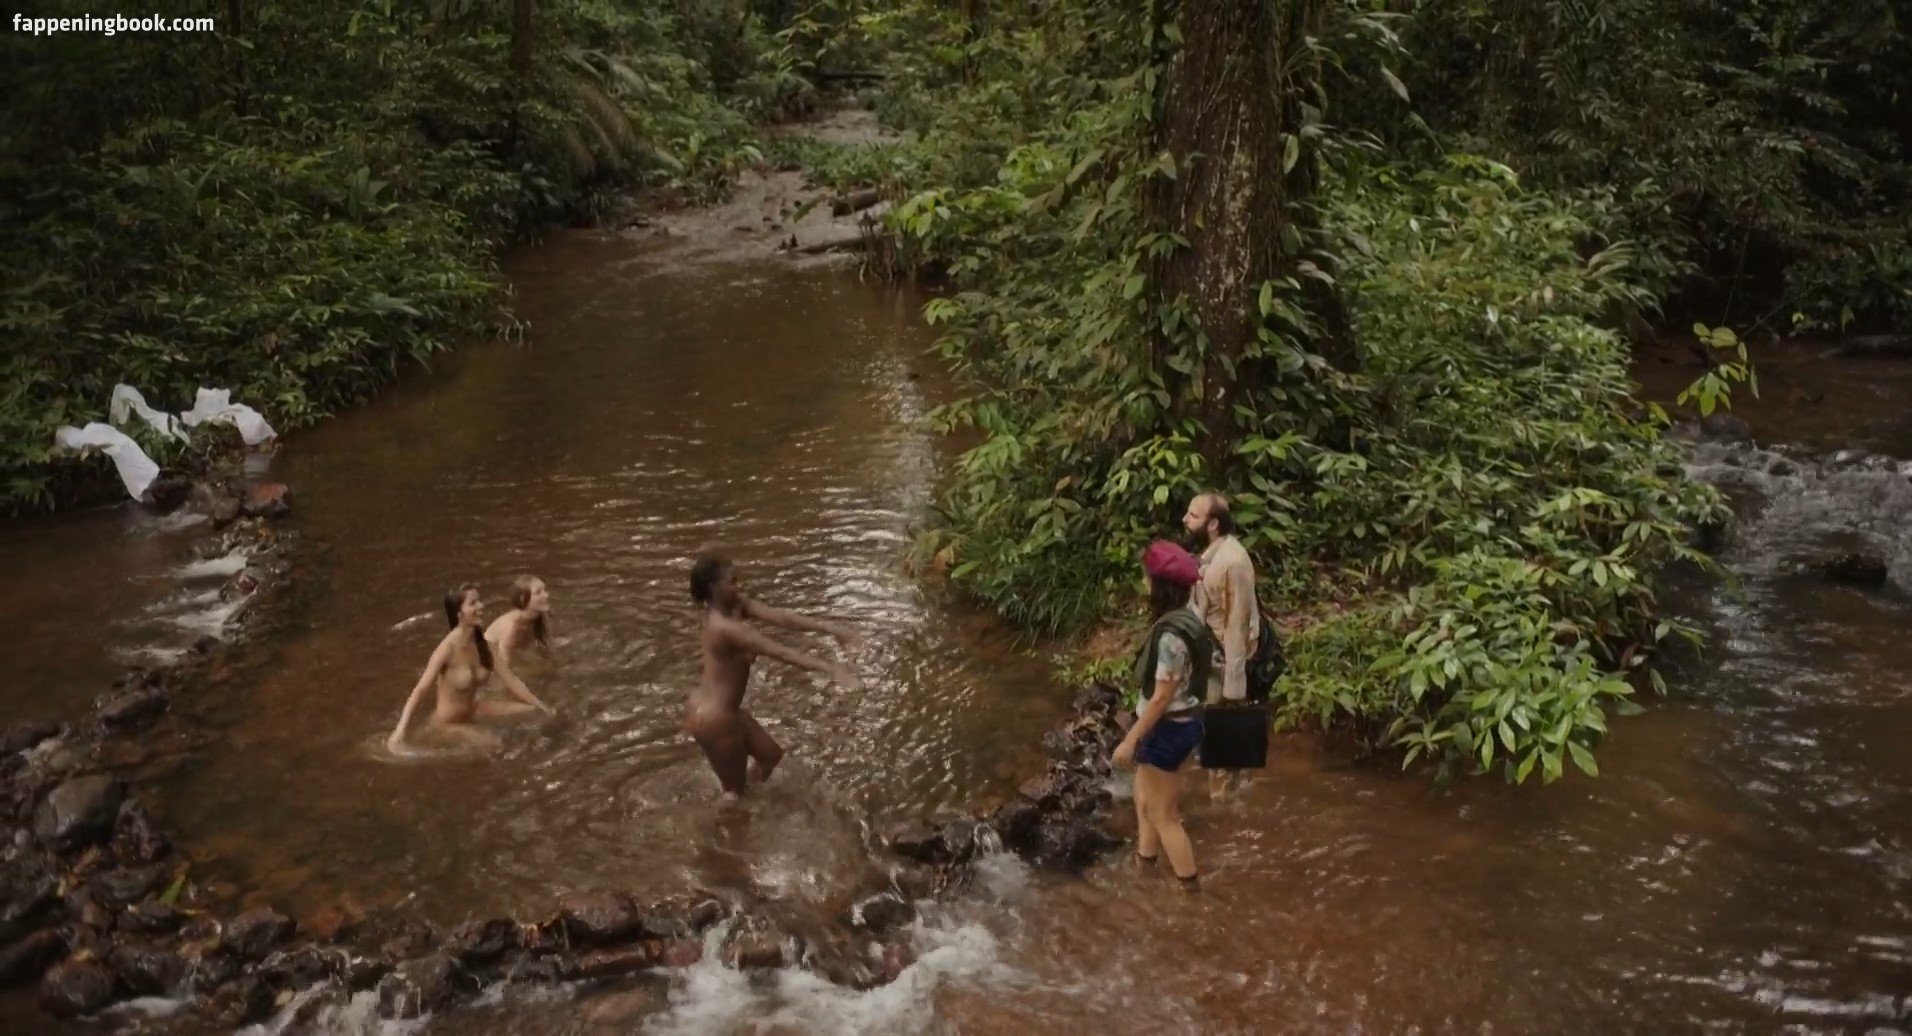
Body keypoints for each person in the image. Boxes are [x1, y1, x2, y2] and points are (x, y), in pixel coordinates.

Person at [685, 554, 864, 799]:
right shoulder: (725, 629)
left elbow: (783, 618)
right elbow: (777, 651)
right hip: (714, 719)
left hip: (719, 711)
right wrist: (830, 670)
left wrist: (833, 629)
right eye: (732, 582)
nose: (738, 587)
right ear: (714, 588)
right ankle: (725, 820)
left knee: (770, 757)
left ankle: (751, 807)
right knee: (735, 794)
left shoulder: (735, 607)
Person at [1112, 540, 1218, 889]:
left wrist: (1130, 740)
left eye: (1148, 577)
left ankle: (1189, 890)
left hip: (1167, 729)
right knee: (1144, 801)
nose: (1144, 582)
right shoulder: (1189, 617)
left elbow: (1160, 699)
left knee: (1164, 814)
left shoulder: (1171, 637)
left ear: (1159, 586)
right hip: (1179, 722)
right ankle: (1145, 866)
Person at [387, 584, 554, 752]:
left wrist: (541, 706)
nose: (481, 606)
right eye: (473, 603)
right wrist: (400, 731)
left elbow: (511, 680)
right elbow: (420, 690)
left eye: (479, 601)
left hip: (474, 710)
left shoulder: (484, 646)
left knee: (533, 711)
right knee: (495, 744)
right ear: (459, 614)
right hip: (448, 723)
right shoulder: (447, 649)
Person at [1182, 491, 1260, 799]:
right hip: (1211, 662)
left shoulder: (1232, 562)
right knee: (1217, 750)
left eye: (1193, 516)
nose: (1185, 520)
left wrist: (1233, 688)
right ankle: (1231, 803)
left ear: (1213, 524)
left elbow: (1237, 624)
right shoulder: (1212, 556)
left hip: (1226, 666)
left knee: (1224, 758)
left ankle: (1226, 814)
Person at [486, 574, 554, 690]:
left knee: (548, 668)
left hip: (512, 654)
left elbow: (546, 644)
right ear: (523, 599)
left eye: (545, 590)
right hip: (484, 658)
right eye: (538, 592)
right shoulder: (512, 628)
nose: (546, 595)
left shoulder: (539, 616)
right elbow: (504, 669)